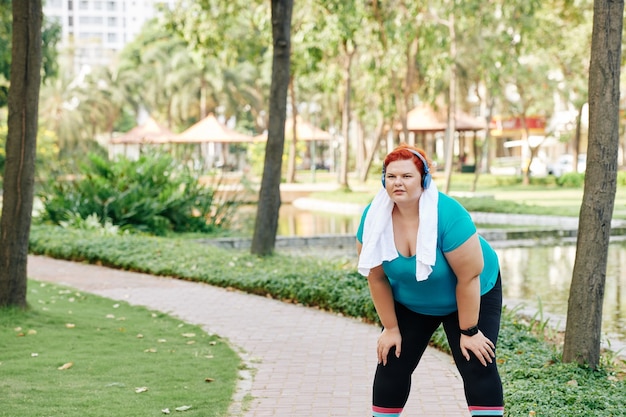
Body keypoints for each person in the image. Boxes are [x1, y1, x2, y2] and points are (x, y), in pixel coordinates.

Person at [356, 144, 504, 417]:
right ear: (383, 180)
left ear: (423, 179)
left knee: (476, 360)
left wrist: (469, 331)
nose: (398, 182)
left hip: (471, 292)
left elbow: (468, 277)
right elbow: (376, 279)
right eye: (391, 176)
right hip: (413, 300)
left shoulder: (449, 215)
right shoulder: (373, 219)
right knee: (392, 360)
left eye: (407, 176)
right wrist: (390, 329)